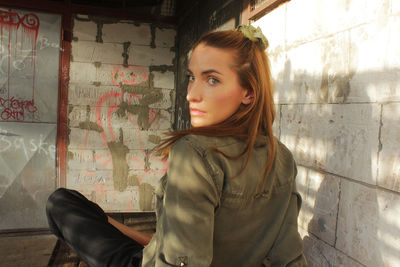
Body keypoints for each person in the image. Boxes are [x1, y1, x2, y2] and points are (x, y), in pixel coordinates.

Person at [46, 25, 307, 267]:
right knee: (85, 207)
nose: (191, 94)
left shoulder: (194, 153)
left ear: (248, 93)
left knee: (60, 202)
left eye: (212, 79)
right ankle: (132, 232)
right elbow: (290, 255)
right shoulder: (281, 156)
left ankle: (129, 233)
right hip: (175, 247)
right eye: (192, 77)